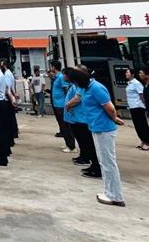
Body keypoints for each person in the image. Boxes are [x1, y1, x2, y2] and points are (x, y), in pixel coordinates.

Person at [70, 66, 126, 207]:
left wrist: (114, 119)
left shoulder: (96, 88)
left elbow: (110, 108)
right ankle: (109, 191)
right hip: (96, 127)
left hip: (104, 128)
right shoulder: (86, 88)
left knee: (108, 162)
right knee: (103, 162)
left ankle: (115, 195)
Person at [65, 68, 100, 178]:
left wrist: (68, 105)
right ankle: (93, 165)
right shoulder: (83, 86)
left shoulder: (93, 86)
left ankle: (97, 168)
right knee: (86, 143)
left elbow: (107, 105)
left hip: (84, 119)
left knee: (90, 144)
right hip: (80, 118)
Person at [125, 68, 149, 150]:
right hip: (132, 107)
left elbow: (142, 95)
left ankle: (147, 142)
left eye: (127, 72)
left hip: (139, 106)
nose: (126, 73)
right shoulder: (129, 84)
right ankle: (142, 141)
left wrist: (145, 105)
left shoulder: (136, 83)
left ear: (132, 74)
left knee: (143, 125)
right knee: (137, 126)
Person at [51, 62, 75, 152]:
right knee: (62, 126)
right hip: (57, 104)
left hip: (61, 105)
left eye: (51, 66)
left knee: (65, 126)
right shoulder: (57, 77)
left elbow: (66, 90)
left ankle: (71, 146)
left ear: (54, 67)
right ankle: (67, 143)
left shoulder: (61, 77)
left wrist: (68, 103)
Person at [3, 61, 19, 144]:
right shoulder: (9, 74)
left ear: (4, 65)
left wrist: (11, 99)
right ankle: (14, 132)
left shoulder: (7, 74)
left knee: (9, 118)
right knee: (12, 117)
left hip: (8, 99)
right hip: (11, 98)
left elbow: (7, 89)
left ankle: (13, 133)